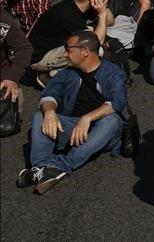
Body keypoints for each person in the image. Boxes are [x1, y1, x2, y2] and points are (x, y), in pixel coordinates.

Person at [18, 30, 126, 195]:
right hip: (72, 127)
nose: (65, 54)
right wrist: (49, 112)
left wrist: (87, 118)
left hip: (101, 131)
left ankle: (59, 166)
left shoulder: (112, 72)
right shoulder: (67, 72)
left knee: (111, 121)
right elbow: (49, 95)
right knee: (40, 115)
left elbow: (117, 102)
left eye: (68, 49)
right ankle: (41, 167)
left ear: (85, 51)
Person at [0, 9, 32, 111]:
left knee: (13, 101)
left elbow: (23, 48)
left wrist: (12, 77)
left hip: (3, 75)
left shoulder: (3, 20)